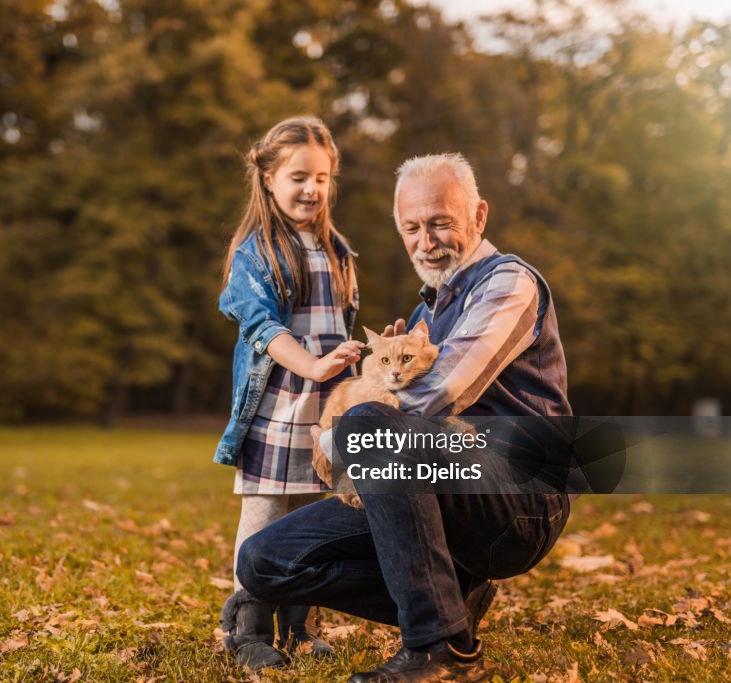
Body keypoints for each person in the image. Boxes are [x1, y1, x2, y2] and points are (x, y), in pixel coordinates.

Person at [236, 153, 574, 682]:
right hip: (439, 488)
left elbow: (443, 390)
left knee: (373, 424)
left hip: (521, 501)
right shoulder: (423, 316)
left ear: (479, 217)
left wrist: (341, 436)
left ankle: (442, 649)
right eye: (411, 227)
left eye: (441, 222)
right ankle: (452, 595)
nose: (426, 240)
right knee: (264, 559)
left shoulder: (508, 283)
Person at [213, 117, 365, 670]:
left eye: (322, 178)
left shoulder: (339, 250)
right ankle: (247, 629)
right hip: (278, 412)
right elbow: (265, 330)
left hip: (324, 417)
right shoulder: (257, 253)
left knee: (309, 520)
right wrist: (317, 366)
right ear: (271, 179)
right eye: (299, 176)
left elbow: (340, 329)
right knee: (264, 518)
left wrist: (353, 364)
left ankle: (300, 626)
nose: (312, 189)